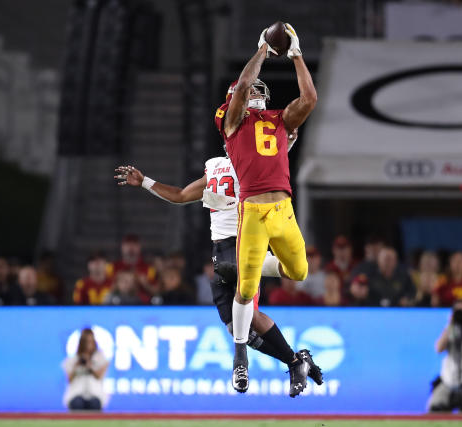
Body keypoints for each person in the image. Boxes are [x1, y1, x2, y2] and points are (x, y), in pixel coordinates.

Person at [115, 118, 321, 397]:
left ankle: (249, 361)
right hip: (220, 248)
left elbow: (274, 161)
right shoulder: (215, 166)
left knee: (244, 299)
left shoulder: (254, 163)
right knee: (240, 327)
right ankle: (297, 360)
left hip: (247, 241)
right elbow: (181, 194)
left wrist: (290, 141)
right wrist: (145, 182)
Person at [213, 22, 317, 396]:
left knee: (299, 271)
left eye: (261, 89)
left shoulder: (278, 121)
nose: (255, 92)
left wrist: (296, 54)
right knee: (244, 291)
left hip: (284, 209)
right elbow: (242, 87)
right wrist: (262, 50)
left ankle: (246, 265)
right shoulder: (233, 123)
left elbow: (309, 100)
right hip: (254, 212)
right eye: (249, 90)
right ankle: (240, 360)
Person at [61, 328, 109, 410]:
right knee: (77, 403)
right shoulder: (73, 360)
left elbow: (99, 376)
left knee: (94, 404)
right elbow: (70, 379)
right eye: (86, 342)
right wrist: (77, 366)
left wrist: (90, 366)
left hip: (95, 393)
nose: (88, 345)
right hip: (76, 393)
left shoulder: (101, 359)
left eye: (90, 342)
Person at [107, 234, 157, 303]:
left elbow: (157, 292)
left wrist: (145, 284)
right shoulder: (112, 267)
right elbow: (107, 289)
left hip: (142, 305)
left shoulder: (149, 269)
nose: (131, 248)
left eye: (134, 245)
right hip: (117, 303)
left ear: (139, 247)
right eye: (128, 245)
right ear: (122, 247)